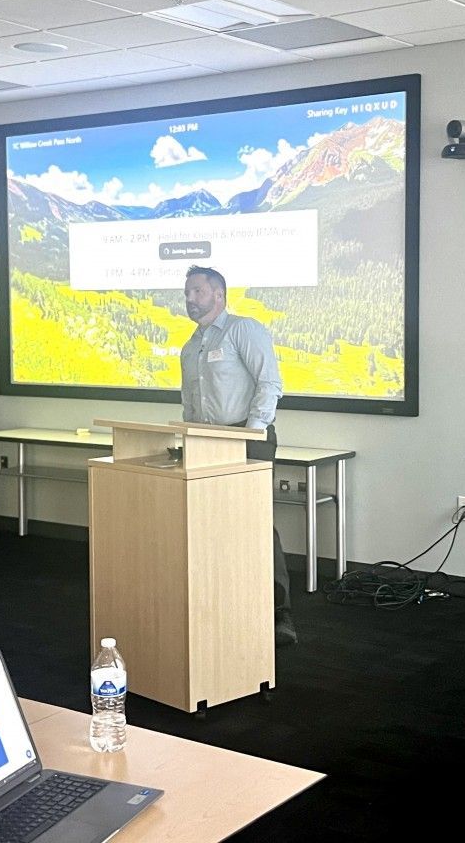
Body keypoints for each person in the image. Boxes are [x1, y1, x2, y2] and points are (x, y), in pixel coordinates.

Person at [179, 265, 296, 646]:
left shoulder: (242, 329)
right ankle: (226, 603)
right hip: (206, 441)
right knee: (211, 521)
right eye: (187, 292)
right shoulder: (190, 346)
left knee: (254, 522)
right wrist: (190, 437)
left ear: (218, 294)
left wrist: (251, 432)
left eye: (197, 291)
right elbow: (190, 401)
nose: (190, 299)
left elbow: (269, 382)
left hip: (247, 436)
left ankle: (279, 613)